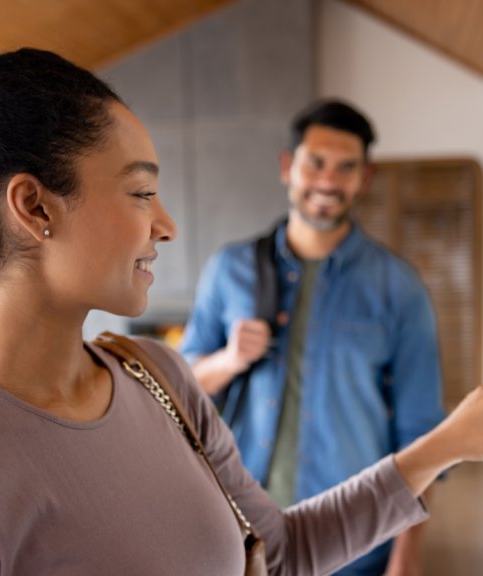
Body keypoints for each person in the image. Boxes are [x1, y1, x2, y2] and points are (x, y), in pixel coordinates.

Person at [0, 12, 483, 575]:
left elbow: (285, 551)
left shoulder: (160, 376)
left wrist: (450, 442)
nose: (166, 223)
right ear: (35, 208)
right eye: (141, 191)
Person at [180, 100, 444, 575]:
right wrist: (228, 360)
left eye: (346, 168)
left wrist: (407, 559)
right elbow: (180, 391)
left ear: (364, 178)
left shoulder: (400, 289)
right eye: (315, 162)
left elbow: (421, 436)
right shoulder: (229, 269)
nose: (328, 180)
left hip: (356, 547)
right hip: (240, 536)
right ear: (288, 167)